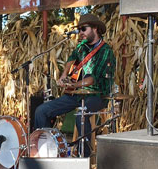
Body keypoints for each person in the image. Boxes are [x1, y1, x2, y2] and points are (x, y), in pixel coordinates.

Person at [34, 13, 116, 150]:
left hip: (97, 96)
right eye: (79, 30)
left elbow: (92, 79)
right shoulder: (81, 47)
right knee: (41, 111)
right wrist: (64, 75)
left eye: (84, 29)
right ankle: (48, 150)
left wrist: (73, 84)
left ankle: (84, 156)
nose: (80, 33)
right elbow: (71, 59)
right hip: (76, 94)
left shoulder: (106, 51)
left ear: (95, 28)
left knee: (81, 115)